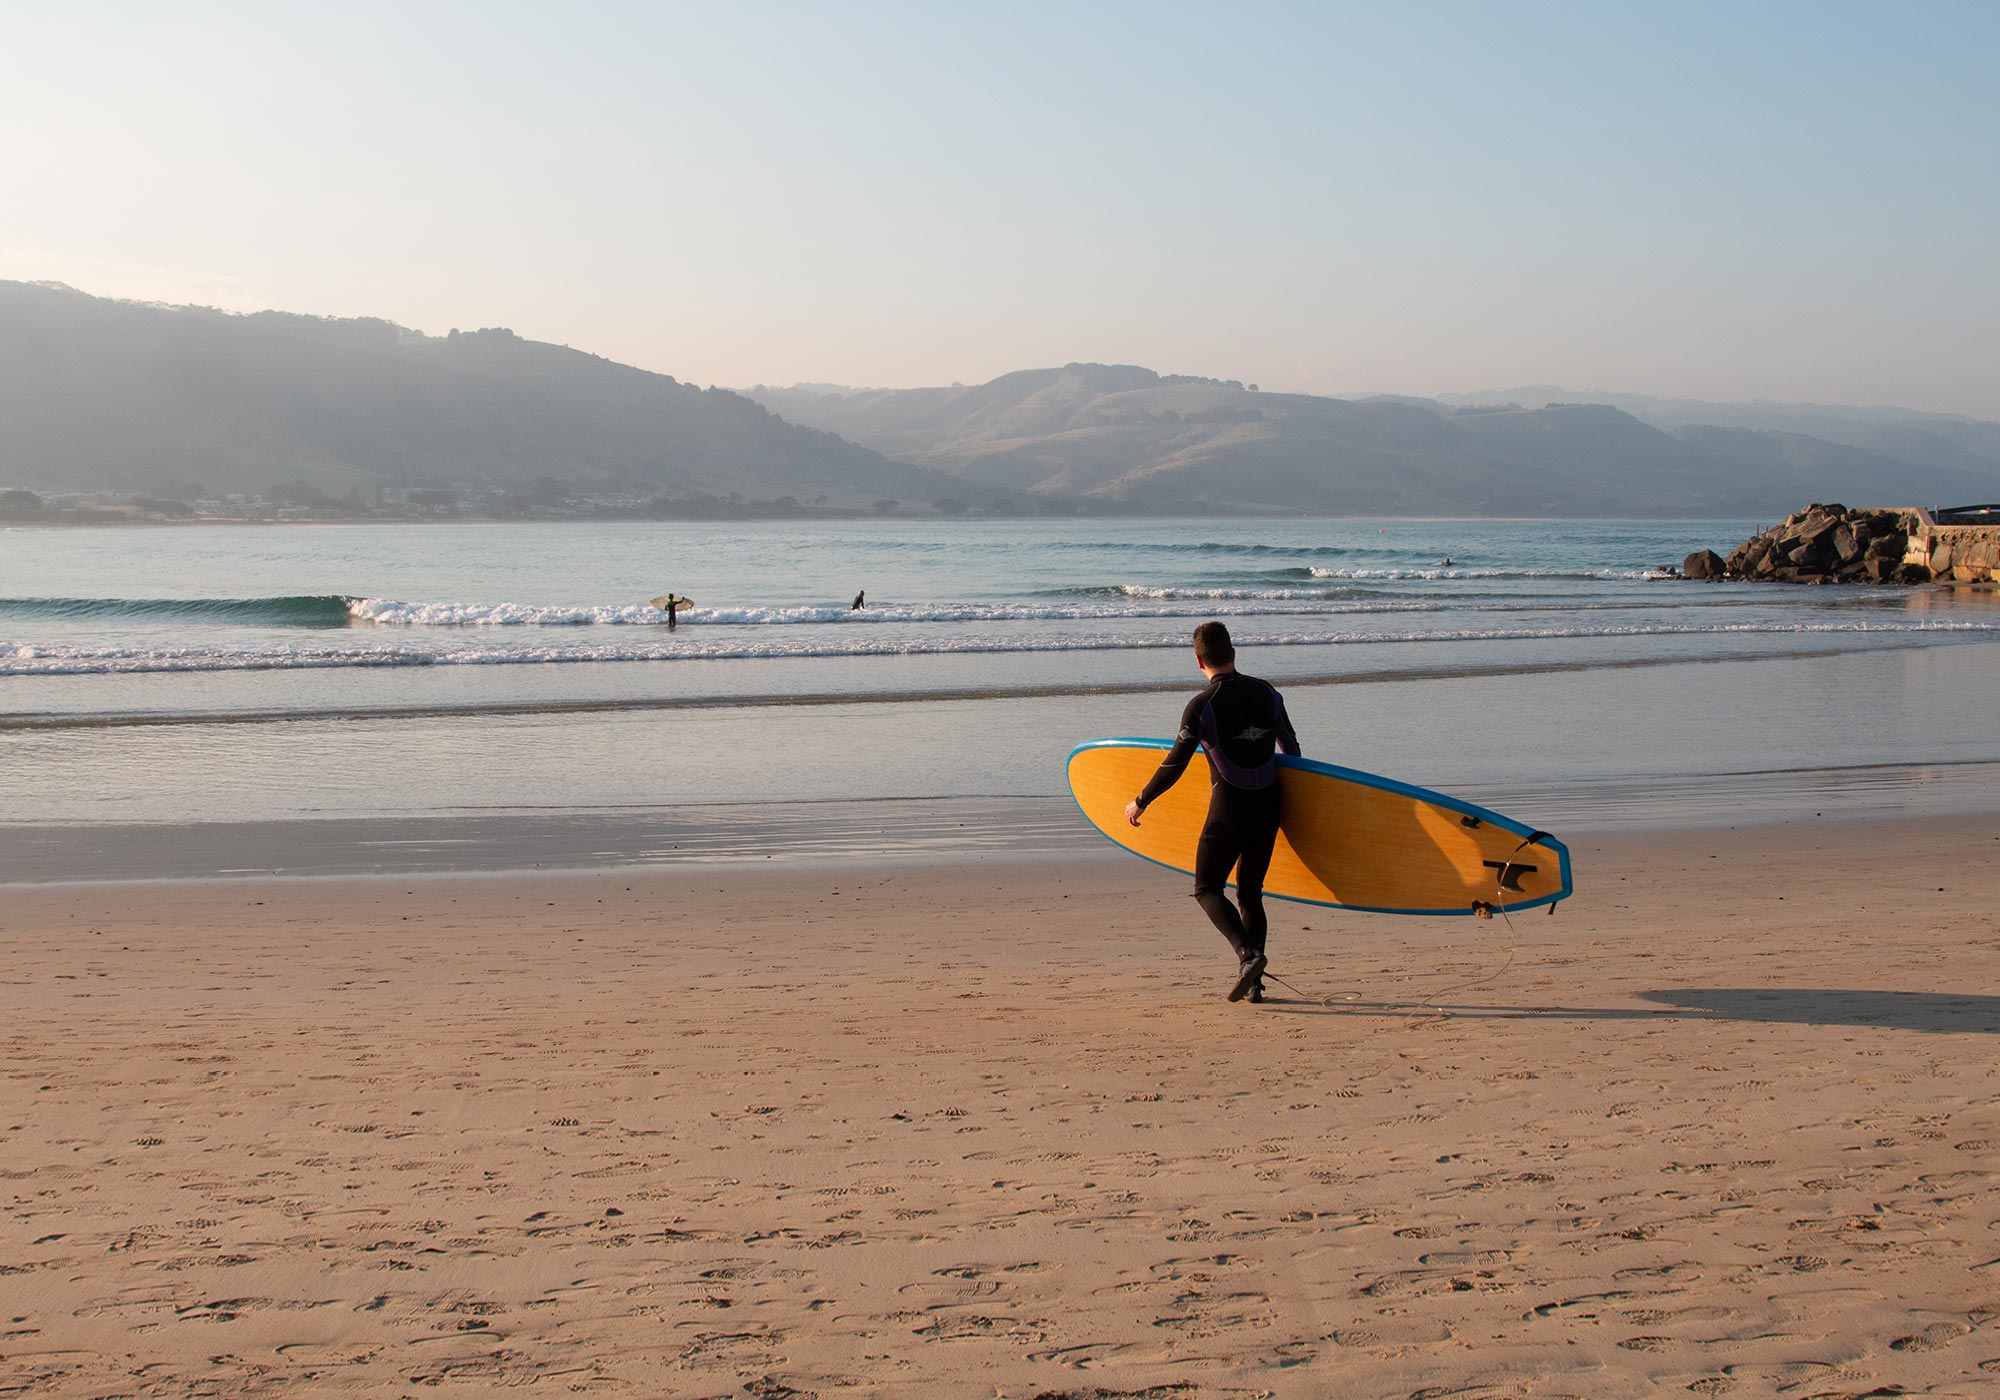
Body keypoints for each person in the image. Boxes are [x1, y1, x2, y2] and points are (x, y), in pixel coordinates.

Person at [1124, 621, 1299, 1002]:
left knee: (1207, 888)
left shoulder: (1202, 706)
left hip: (1229, 810)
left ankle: (1247, 955)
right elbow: (1292, 750)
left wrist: (1141, 801)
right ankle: (1255, 986)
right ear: (1233, 653)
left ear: (1198, 660)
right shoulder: (1268, 693)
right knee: (1251, 894)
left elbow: (1176, 763)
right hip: (1269, 807)